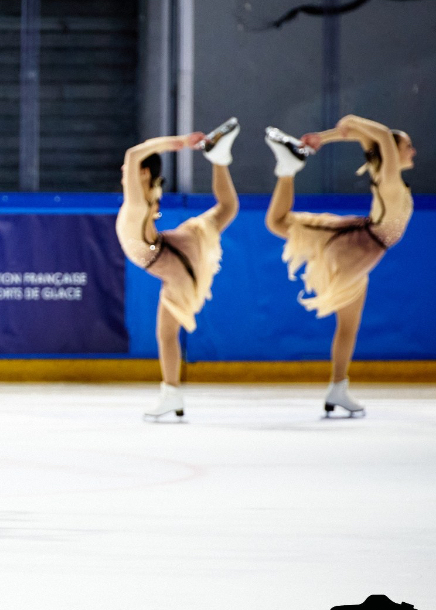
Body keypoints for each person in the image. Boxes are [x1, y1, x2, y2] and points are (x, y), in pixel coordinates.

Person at [264, 116, 416, 417]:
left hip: (364, 250)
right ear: (391, 150)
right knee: (278, 222)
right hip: (357, 245)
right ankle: (288, 169)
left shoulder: (385, 173)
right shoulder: (388, 177)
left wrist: (324, 137)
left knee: (348, 325)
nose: (413, 151)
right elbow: (378, 134)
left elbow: (365, 137)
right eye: (407, 146)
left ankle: (338, 387)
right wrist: (349, 121)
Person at [116, 120, 240, 420]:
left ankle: (171, 394)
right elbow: (134, 158)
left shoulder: (137, 203)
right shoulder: (145, 197)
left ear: (143, 173)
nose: (124, 170)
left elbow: (133, 155)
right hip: (171, 250)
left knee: (166, 334)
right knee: (226, 209)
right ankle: (219, 158)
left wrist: (179, 142)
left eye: (129, 170)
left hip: (172, 262)